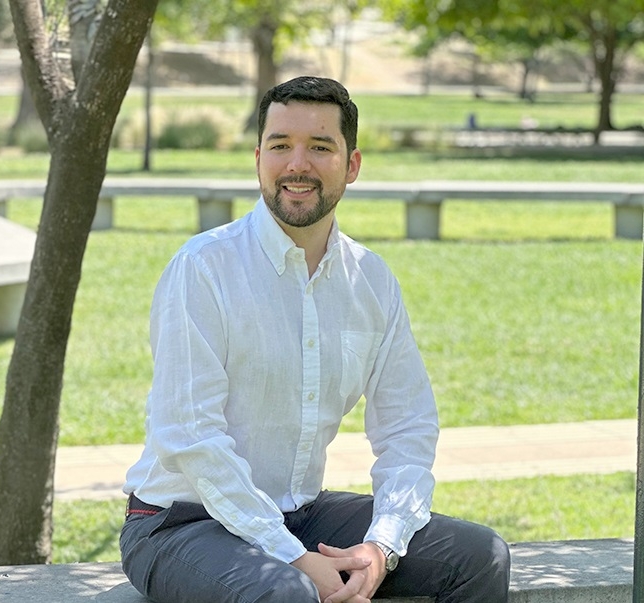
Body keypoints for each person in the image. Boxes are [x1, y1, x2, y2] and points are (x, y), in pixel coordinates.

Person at [120, 75, 510, 603]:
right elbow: (190, 437)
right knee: (285, 594)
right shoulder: (204, 268)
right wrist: (292, 558)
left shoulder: (370, 280)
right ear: (259, 157)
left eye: (319, 147)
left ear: (351, 165)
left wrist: (381, 544)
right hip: (181, 523)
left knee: (478, 555)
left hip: (301, 515)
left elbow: (408, 426)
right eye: (280, 146)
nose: (296, 164)